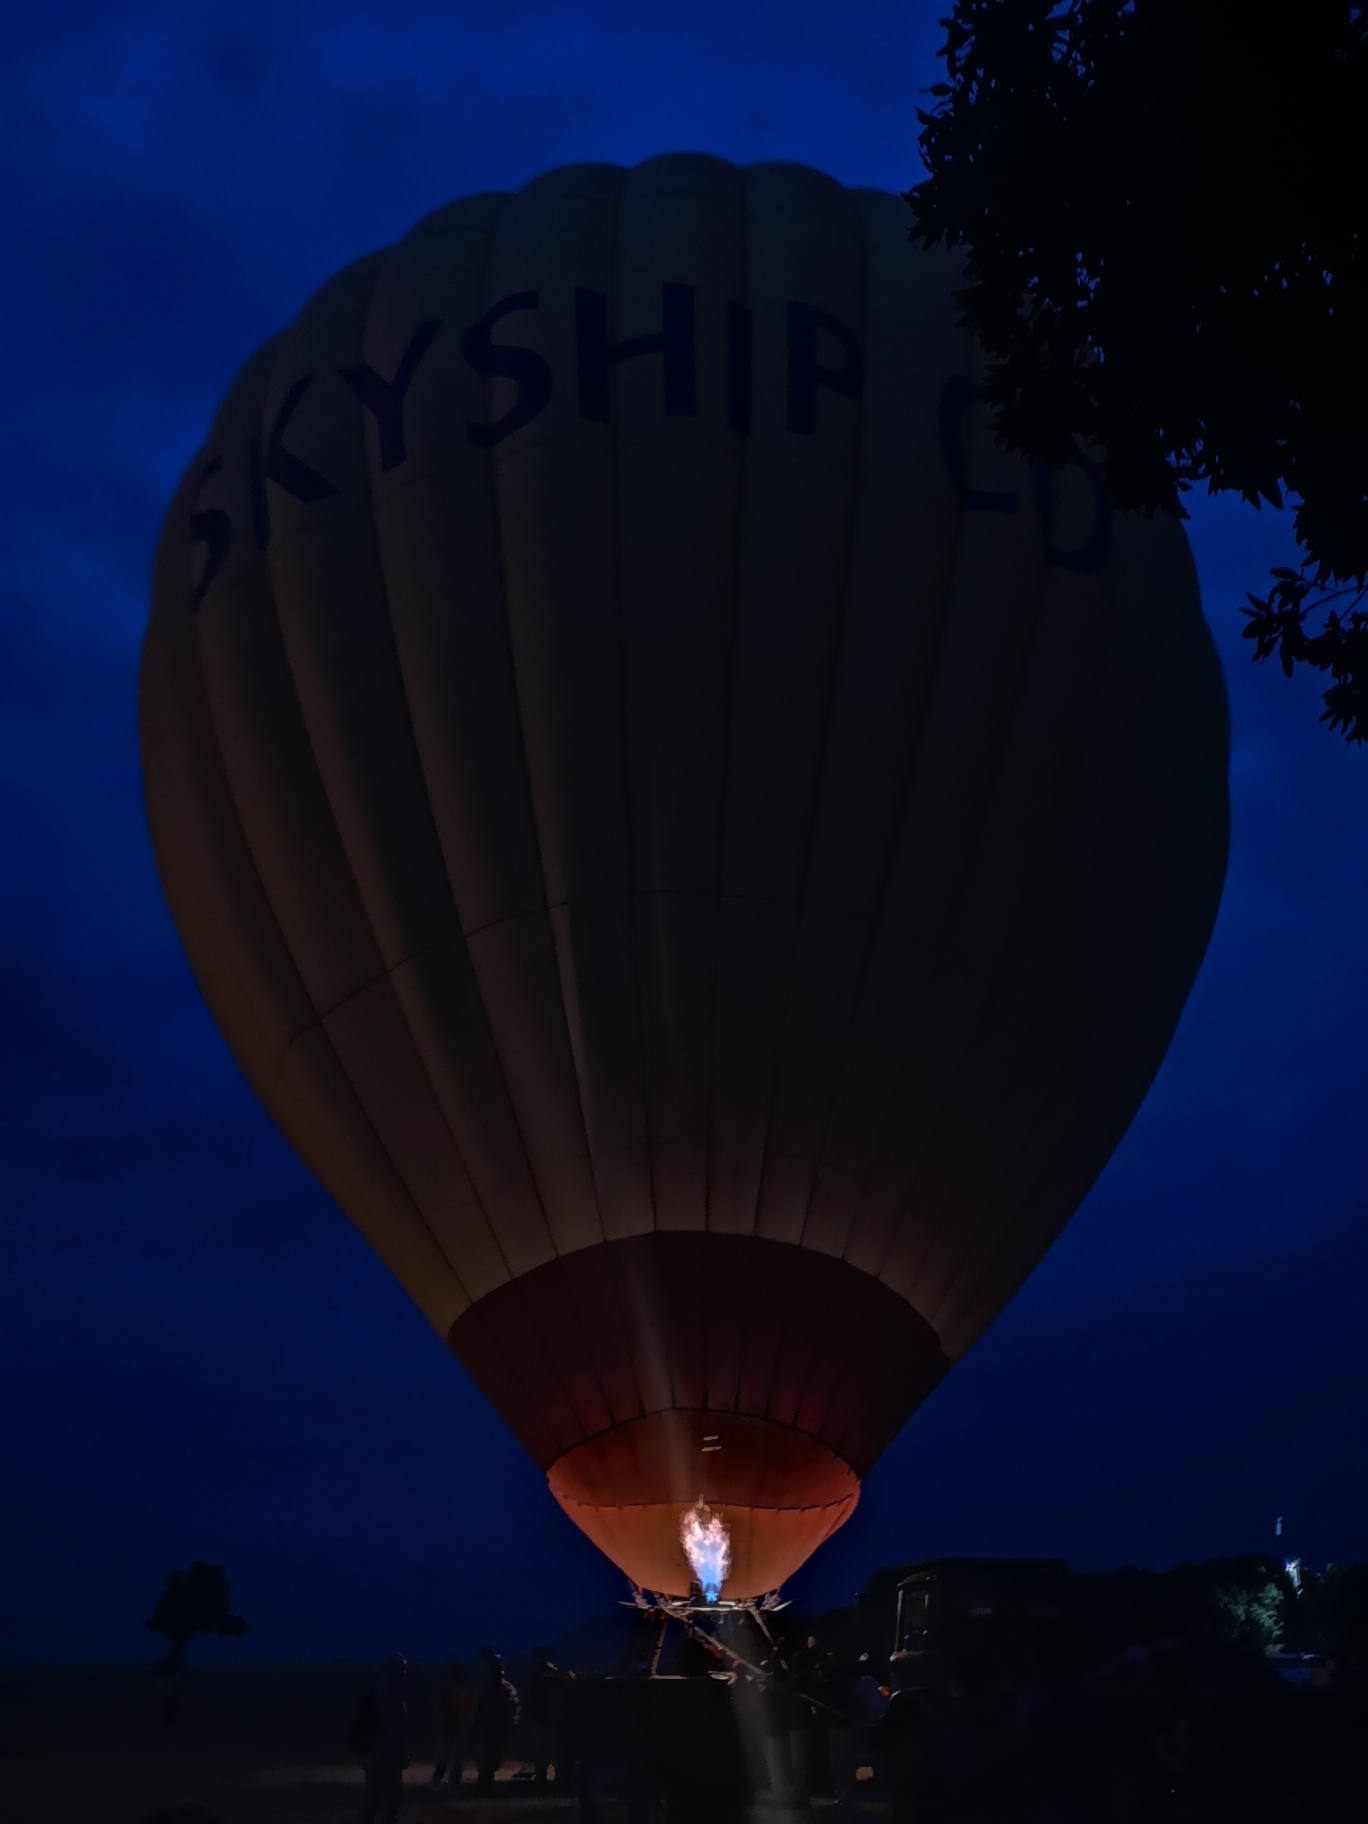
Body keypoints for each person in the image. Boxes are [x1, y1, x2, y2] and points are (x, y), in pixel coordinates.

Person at [349, 1654, 409, 1824]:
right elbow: (395, 1731)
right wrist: (402, 1752)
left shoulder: (375, 1695)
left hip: (372, 1756)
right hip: (387, 1757)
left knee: (372, 1799)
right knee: (391, 1802)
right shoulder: (393, 1699)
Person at [473, 1654, 521, 1793]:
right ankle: (483, 1784)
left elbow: (513, 1710)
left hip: (499, 1729)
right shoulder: (490, 1689)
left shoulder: (507, 1690)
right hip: (489, 1729)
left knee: (493, 1758)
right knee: (485, 1759)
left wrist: (510, 1726)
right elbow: (480, 1709)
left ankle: (487, 1784)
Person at [430, 1660, 473, 1788]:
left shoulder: (451, 1690)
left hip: (454, 1729)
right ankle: (446, 1783)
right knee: (451, 1760)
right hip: (454, 1729)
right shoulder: (461, 1691)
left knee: (449, 1759)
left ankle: (441, 1782)